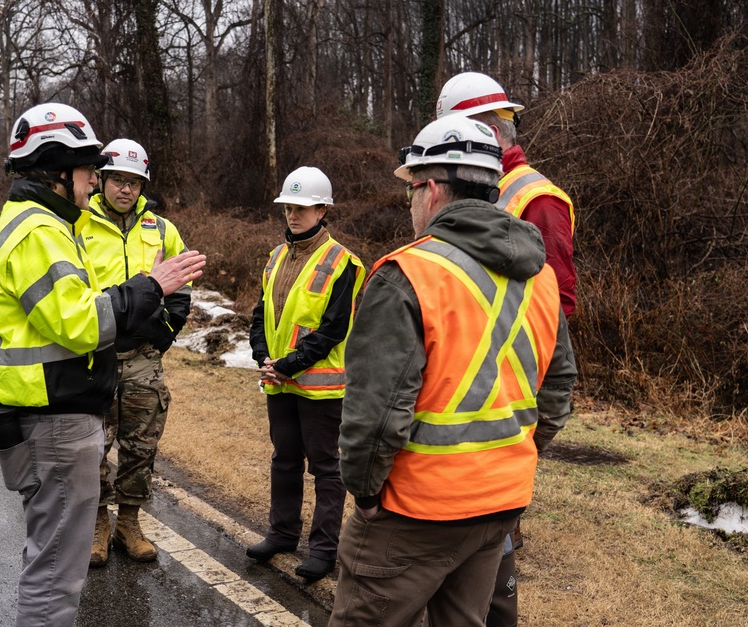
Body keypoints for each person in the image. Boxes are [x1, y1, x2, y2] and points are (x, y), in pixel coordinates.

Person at [329, 115, 576, 627]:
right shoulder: (540, 276)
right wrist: (518, 455)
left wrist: (367, 494)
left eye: (411, 190)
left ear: (434, 189)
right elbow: (557, 392)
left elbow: (375, 415)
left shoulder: (408, 273)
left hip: (414, 510)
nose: (411, 204)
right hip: (500, 506)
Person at [0, 103, 205, 627]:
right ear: (60, 170)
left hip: (47, 413)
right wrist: (152, 286)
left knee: (53, 563)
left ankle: (125, 522)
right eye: (88, 171)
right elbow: (82, 322)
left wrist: (157, 313)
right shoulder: (39, 230)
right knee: (57, 572)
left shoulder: (45, 224)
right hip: (53, 422)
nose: (95, 182)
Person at [437, 71, 578, 626]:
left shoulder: (535, 198)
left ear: (485, 131)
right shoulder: (488, 186)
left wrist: (527, 393)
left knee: (496, 508)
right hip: (474, 366)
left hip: (510, 372)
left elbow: (555, 303)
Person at [246, 166, 365, 583]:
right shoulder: (276, 256)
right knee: (284, 461)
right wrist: (262, 355)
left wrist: (289, 363)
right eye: (288, 208)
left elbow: (335, 327)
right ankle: (281, 535)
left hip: (321, 388)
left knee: (326, 469)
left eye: (302, 208)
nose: (293, 215)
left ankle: (323, 551)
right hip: (278, 380)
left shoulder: (343, 262)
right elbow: (261, 314)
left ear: (323, 210)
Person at [82, 138, 192, 566]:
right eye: (117, 181)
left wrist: (162, 332)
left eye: (134, 182)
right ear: (102, 180)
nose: (125, 190)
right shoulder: (78, 225)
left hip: (145, 357)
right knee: (92, 445)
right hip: (96, 354)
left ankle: (129, 521)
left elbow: (181, 289)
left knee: (141, 444)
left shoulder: (162, 229)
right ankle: (97, 523)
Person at [436, 71, 576, 317]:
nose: (448, 149)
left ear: (491, 134)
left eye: (456, 137)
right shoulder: (468, 187)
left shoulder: (540, 200)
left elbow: (557, 302)